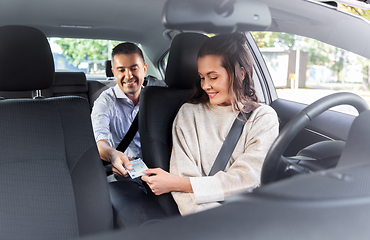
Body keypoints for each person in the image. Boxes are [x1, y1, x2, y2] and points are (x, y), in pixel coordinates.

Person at [141, 32, 279, 215]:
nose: (205, 85)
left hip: (253, 215)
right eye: (201, 77)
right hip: (208, 223)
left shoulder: (263, 118)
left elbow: (247, 180)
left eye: (213, 77)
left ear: (241, 73)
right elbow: (184, 194)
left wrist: (178, 183)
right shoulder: (189, 114)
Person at [91, 42, 147, 178]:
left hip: (154, 171)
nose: (128, 76)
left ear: (144, 69)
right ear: (114, 72)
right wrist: (113, 155)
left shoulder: (156, 100)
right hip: (121, 172)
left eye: (134, 68)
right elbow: (99, 141)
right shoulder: (105, 101)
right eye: (121, 70)